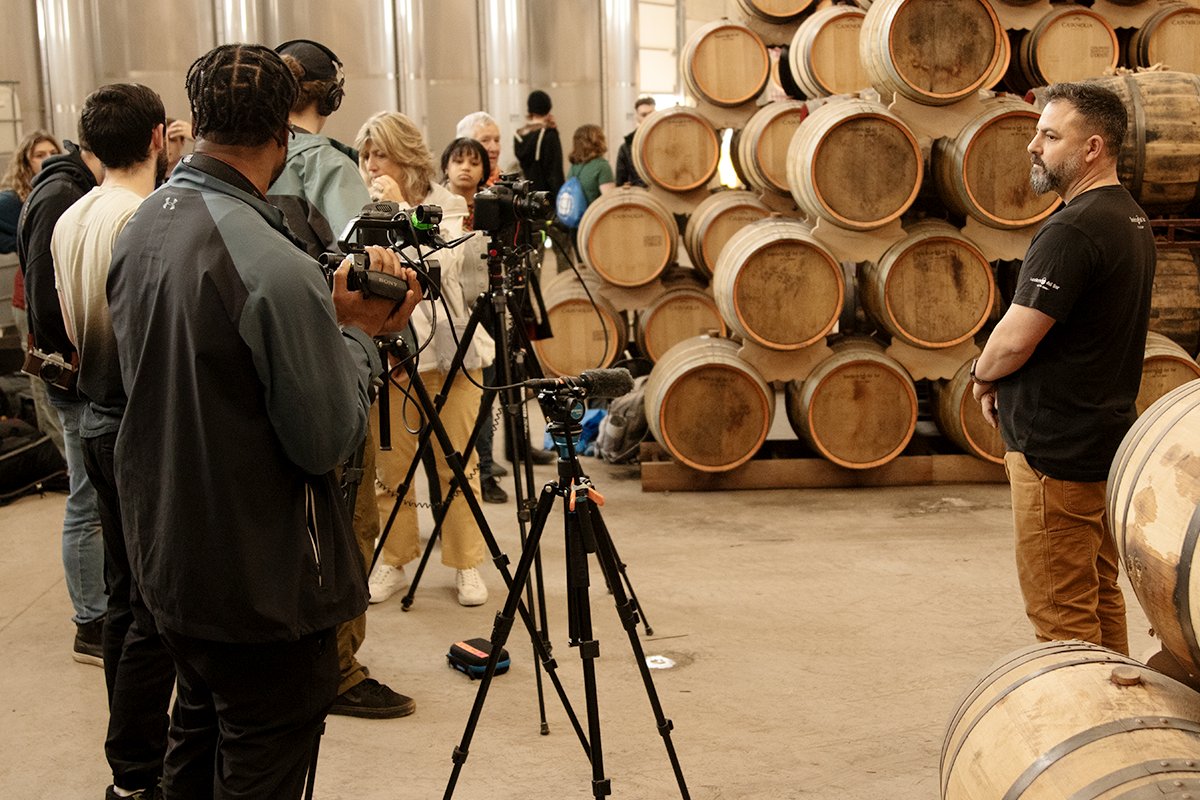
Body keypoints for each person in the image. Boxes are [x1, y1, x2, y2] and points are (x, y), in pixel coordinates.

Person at [106, 44, 422, 798]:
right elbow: (325, 439)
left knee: (195, 739)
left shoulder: (144, 225)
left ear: (196, 121)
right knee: (260, 756)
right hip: (257, 582)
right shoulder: (272, 265)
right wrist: (357, 334)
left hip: (169, 554)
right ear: (286, 134)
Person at [971, 81, 1156, 656]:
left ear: (1092, 148)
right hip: (1101, 443)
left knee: (1061, 615)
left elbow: (1015, 338)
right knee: (1098, 593)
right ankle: (1121, 699)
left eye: (1050, 136)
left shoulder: (1073, 228)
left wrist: (982, 374)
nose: (1034, 146)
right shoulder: (1130, 218)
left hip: (1055, 450)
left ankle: (1087, 711)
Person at [265, 38, 413, 720]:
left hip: (263, 369)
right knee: (348, 517)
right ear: (332, 94)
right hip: (330, 365)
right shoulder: (328, 164)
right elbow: (371, 271)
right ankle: (338, 669)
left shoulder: (249, 164)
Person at [50, 82, 176, 800]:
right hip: (135, 424)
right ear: (158, 137)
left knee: (126, 602)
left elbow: (73, 326)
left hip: (95, 413)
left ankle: (132, 762)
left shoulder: (73, 216)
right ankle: (138, 766)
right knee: (154, 609)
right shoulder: (145, 218)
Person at [357, 111, 494, 607]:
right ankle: (394, 559)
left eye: (380, 153)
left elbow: (442, 264)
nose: (371, 165)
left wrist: (399, 211)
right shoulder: (362, 207)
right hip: (392, 356)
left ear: (405, 155)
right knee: (391, 467)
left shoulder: (446, 203)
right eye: (365, 155)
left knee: (458, 464)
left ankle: (466, 562)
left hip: (452, 356)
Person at [17, 126, 106, 667]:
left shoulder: (67, 187)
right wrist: (79, 361)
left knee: (91, 495)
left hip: (74, 372)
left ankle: (99, 610)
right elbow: (44, 296)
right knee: (86, 498)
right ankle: (90, 623)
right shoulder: (61, 193)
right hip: (72, 376)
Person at [439, 137, 507, 505]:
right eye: (458, 160)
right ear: (446, 167)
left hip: (487, 311)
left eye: (473, 162)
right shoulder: (435, 209)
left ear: (484, 171)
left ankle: (486, 472)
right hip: (449, 315)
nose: (465, 168)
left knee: (484, 399)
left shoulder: (492, 210)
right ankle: (451, 481)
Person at [2, 130, 65, 455]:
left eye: (52, 152)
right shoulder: (14, 200)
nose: (47, 159)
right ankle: (58, 456)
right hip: (26, 299)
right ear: (26, 163)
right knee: (41, 378)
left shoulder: (62, 190)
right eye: (39, 155)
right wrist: (18, 243)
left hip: (57, 296)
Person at [512, 89, 564, 195]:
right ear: (548, 108)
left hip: (525, 195)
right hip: (546, 196)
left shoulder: (519, 136)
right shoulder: (549, 134)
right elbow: (555, 173)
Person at [567, 124, 615, 206]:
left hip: (574, 213)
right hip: (594, 213)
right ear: (598, 141)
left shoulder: (574, 166)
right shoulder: (602, 166)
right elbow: (610, 201)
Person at [615, 96, 655, 188]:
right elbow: (621, 182)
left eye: (651, 114)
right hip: (640, 193)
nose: (648, 118)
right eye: (644, 115)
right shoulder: (626, 147)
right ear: (637, 118)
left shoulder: (668, 140)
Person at [456, 111, 503, 186]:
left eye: (496, 140)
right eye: (485, 140)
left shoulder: (510, 184)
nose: (494, 149)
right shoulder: (455, 189)